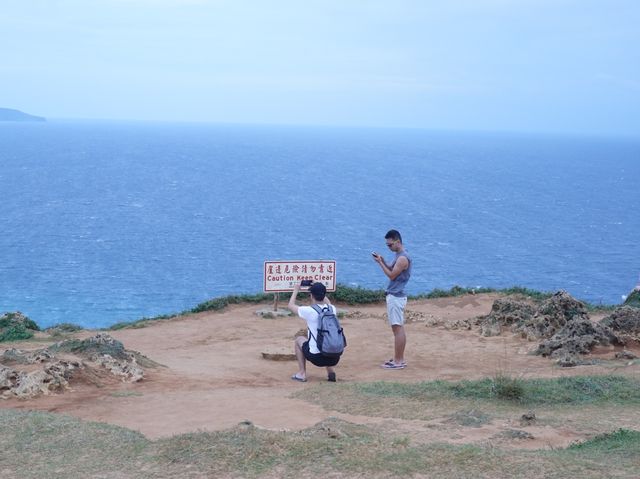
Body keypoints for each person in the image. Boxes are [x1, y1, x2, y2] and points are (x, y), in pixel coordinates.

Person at [372, 229, 411, 369]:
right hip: (396, 295)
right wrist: (381, 260)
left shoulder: (402, 258)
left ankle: (398, 361)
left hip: (396, 295)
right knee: (397, 327)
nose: (388, 247)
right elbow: (391, 268)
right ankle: (398, 358)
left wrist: (380, 264)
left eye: (390, 245)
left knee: (397, 329)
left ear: (398, 242)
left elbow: (391, 275)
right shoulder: (398, 255)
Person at [287, 281, 339, 382]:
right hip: (334, 357)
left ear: (311, 296)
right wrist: (318, 287)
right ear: (324, 295)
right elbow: (327, 302)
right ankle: (331, 372)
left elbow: (290, 306)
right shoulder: (332, 309)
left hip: (317, 358)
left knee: (299, 340)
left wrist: (296, 290)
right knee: (327, 339)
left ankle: (301, 373)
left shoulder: (310, 311)